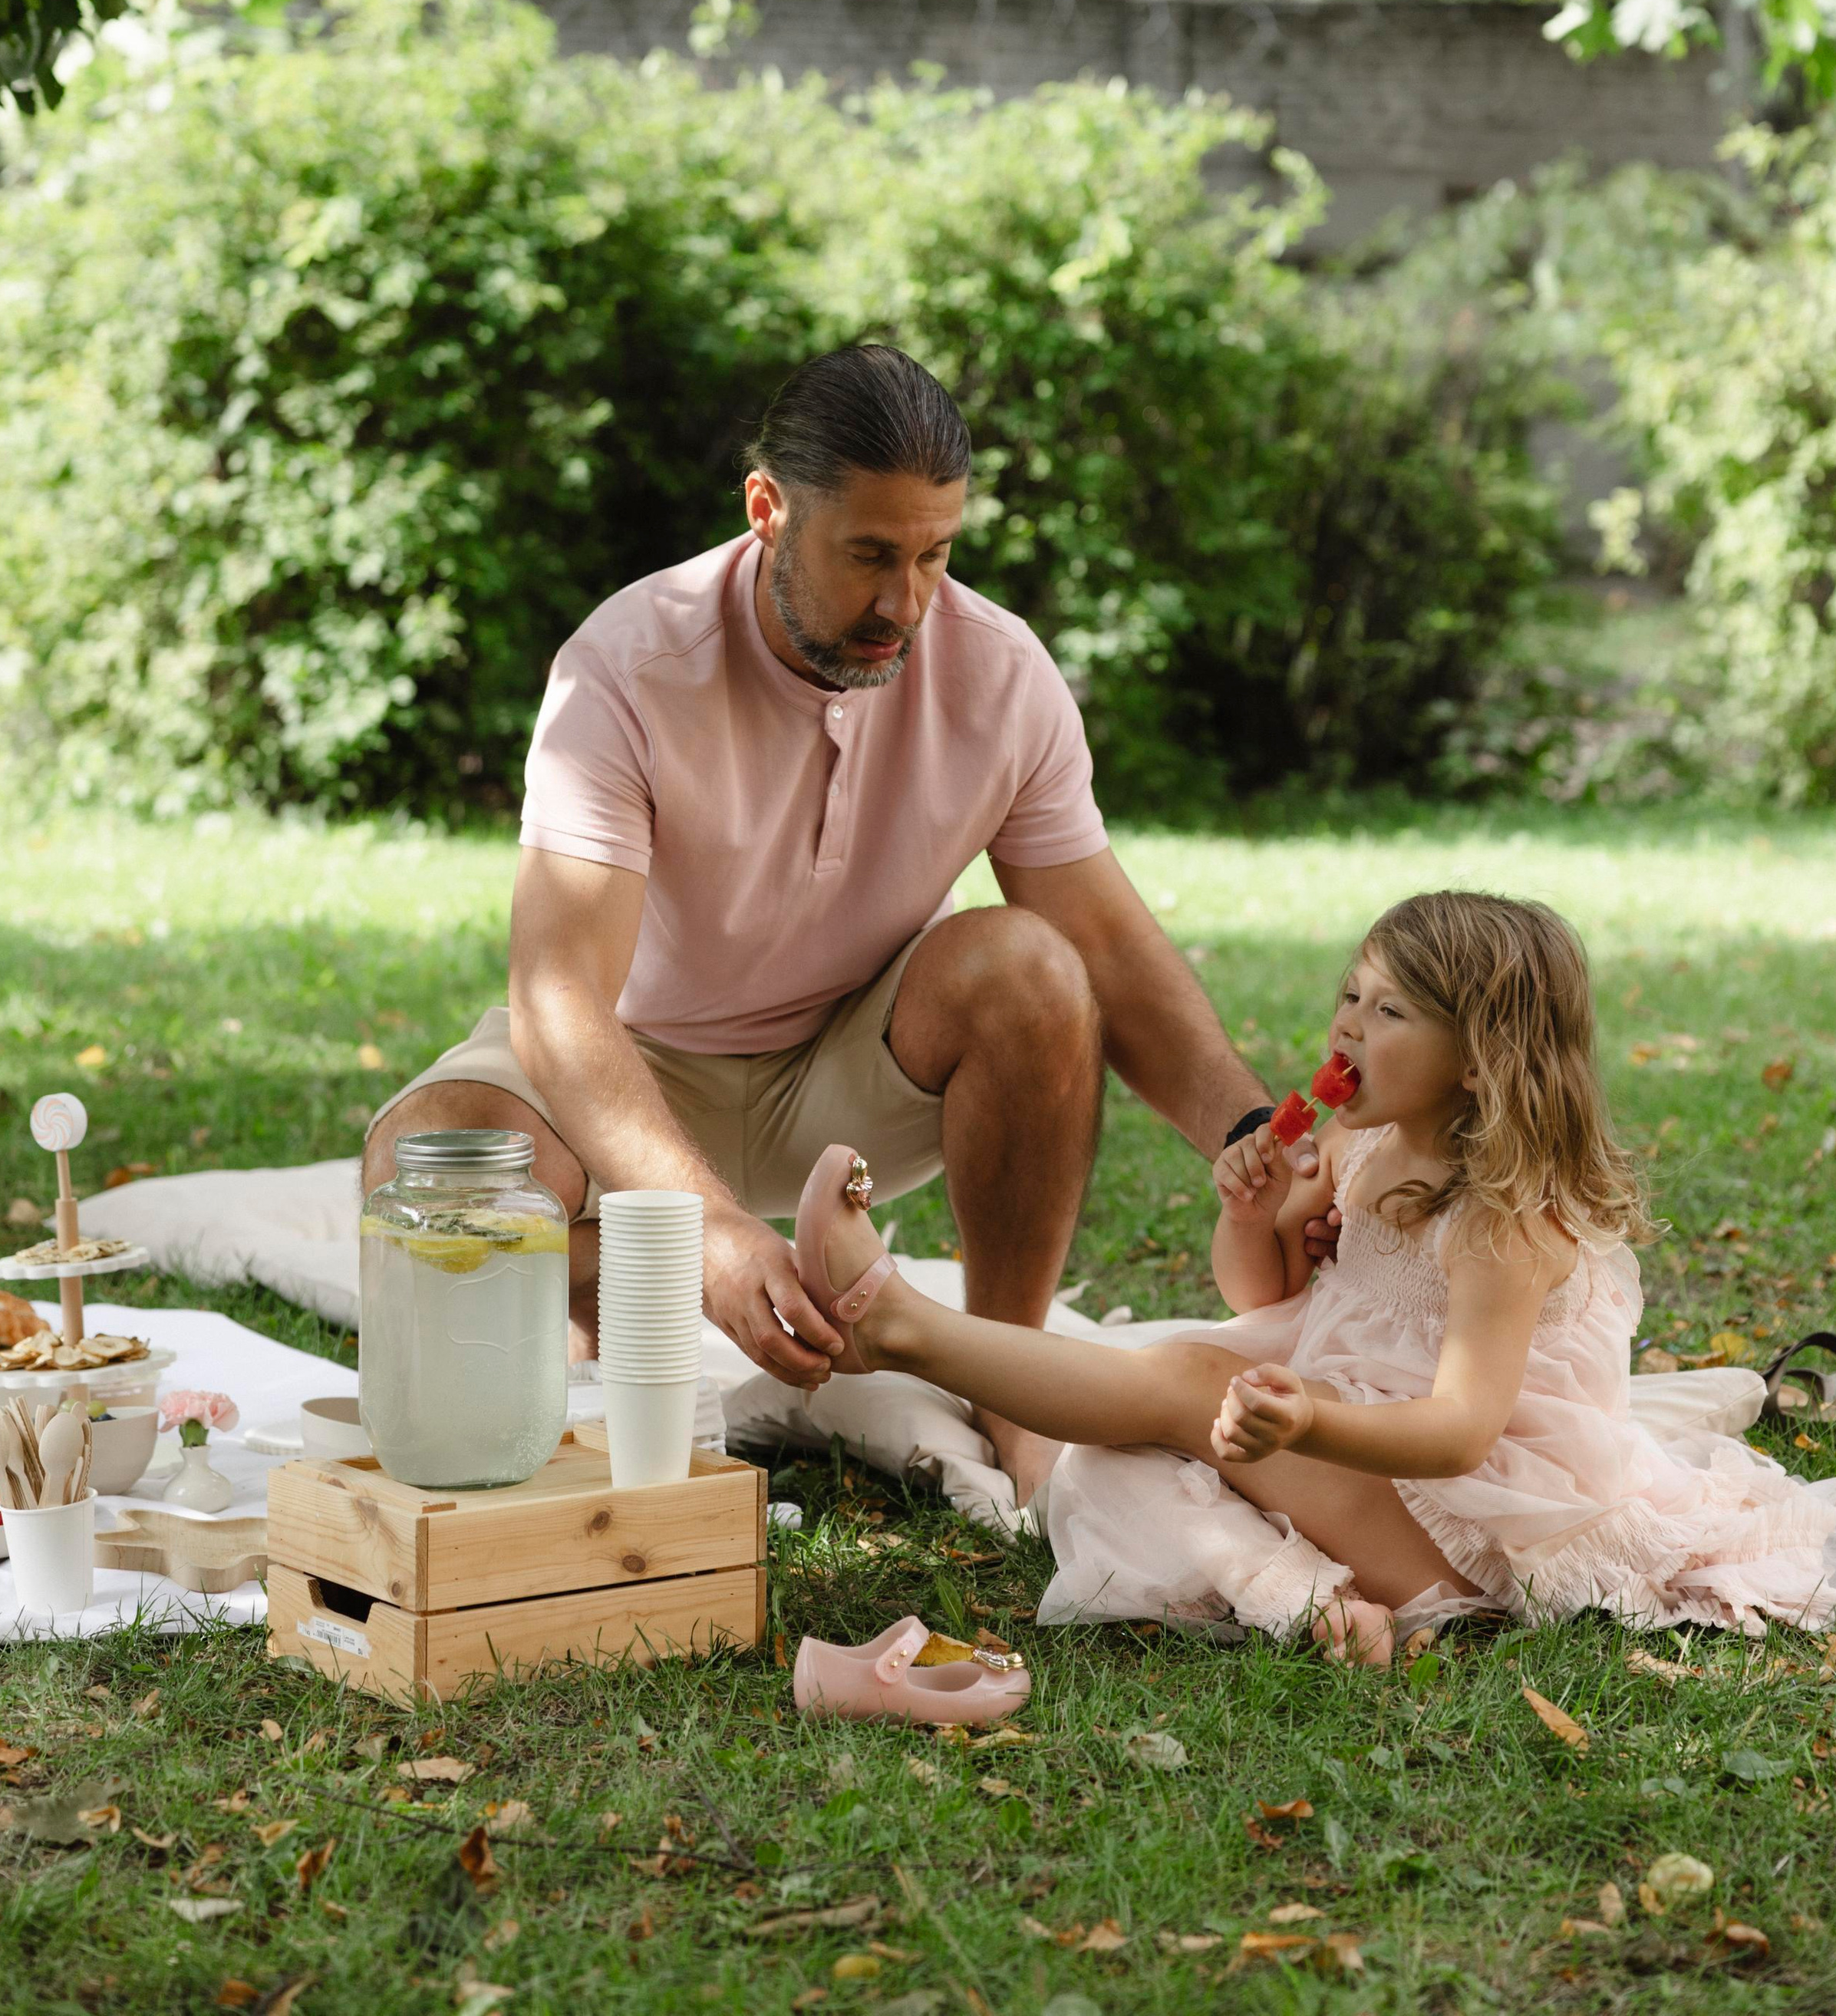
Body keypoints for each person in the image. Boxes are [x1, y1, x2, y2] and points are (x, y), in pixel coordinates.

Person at [364, 341, 1277, 1490]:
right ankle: (615, 1322)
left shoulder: (1002, 674)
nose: (906, 603)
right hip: (638, 1065)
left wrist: (1256, 1137)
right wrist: (706, 1237)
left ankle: (1004, 1381)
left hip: (849, 1078)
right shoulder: (625, 667)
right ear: (768, 511)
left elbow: (1103, 947)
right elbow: (560, 1000)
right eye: (871, 557)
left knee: (1035, 966)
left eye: (936, 556)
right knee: (430, 1154)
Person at [791, 890, 1836, 1658]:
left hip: (1463, 1525)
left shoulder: (1505, 1219)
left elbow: (1462, 1431)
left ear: (1484, 1056)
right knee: (1101, 1460)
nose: (1347, 1026)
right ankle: (1306, 1602)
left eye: (1391, 1011)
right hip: (1354, 1455)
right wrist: (1256, 1213)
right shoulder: (1367, 1151)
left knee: (1179, 1385)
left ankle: (902, 1327)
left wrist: (1306, 1424)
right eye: (1351, 997)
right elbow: (1262, 1300)